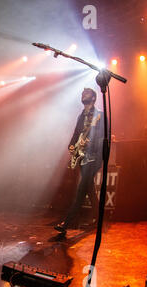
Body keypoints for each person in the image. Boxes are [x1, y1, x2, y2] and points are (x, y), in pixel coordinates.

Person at [55, 88, 104, 234]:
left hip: (94, 158)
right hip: (82, 156)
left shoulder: (100, 115)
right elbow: (76, 133)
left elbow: (102, 137)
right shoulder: (81, 116)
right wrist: (71, 145)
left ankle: (66, 223)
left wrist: (91, 143)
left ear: (93, 98)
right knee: (89, 188)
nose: (83, 96)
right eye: (82, 94)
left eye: (86, 94)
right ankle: (99, 218)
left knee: (82, 189)